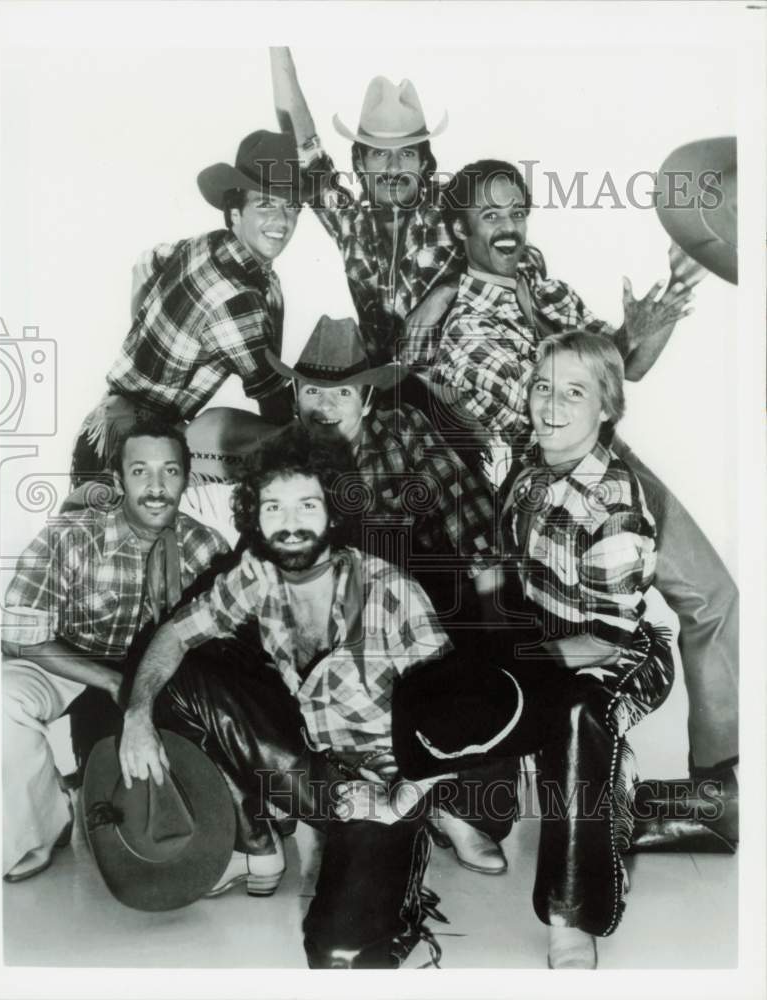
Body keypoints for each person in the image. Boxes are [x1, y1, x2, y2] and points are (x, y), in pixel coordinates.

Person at [343, 331, 676, 969]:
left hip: (617, 655)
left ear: (606, 408)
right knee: (443, 661)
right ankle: (451, 804)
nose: (551, 404)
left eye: (574, 392)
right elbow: (500, 566)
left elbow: (606, 637)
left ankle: (572, 913)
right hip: (542, 637)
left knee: (575, 711)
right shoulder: (530, 464)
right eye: (543, 386)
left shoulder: (617, 506)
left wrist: (511, 669)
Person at [425, 159, 738, 824]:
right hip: (548, 484)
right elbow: (558, 410)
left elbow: (621, 374)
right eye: (491, 216)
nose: (509, 228)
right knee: (584, 642)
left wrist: (675, 294)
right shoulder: (463, 329)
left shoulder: (535, 274)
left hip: (605, 456)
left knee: (714, 597)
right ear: (460, 229)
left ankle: (718, 789)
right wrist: (620, 347)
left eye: (516, 212)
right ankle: (564, 793)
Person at [191, 314, 518, 874]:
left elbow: (476, 530)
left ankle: (451, 807)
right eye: (311, 389)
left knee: (468, 626)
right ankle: (325, 788)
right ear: (294, 393)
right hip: (323, 627)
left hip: (417, 613)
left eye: (341, 392)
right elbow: (262, 551)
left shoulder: (407, 431)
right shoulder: (284, 452)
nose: (324, 404)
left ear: (367, 400)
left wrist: (500, 647)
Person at [117, 426, 453, 968]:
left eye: (306, 505)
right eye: (273, 506)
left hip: (386, 786)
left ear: (334, 513)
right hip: (312, 769)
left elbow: (456, 733)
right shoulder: (259, 579)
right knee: (170, 681)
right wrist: (137, 715)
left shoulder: (391, 593)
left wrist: (399, 798)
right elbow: (176, 634)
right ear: (256, 516)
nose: (290, 523)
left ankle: (404, 856)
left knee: (337, 954)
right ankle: (255, 840)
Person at [2, 421, 228, 882]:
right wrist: (110, 681)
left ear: (187, 478)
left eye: (170, 471)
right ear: (118, 478)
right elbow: (21, 633)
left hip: (157, 673)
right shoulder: (70, 535)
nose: (156, 487)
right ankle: (43, 826)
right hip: (68, 660)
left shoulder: (206, 546)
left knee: (133, 799)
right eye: (140, 471)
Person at [269, 47, 547, 374]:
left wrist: (448, 290)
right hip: (389, 398)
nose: (394, 168)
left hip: (469, 392)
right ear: (359, 162)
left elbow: (527, 261)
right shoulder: (350, 221)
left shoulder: (454, 206)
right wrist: (274, 37)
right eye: (379, 154)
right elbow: (301, 143)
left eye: (407, 154)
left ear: (424, 162)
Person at [71, 130, 303, 486]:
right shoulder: (237, 298)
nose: (282, 220)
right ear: (235, 212)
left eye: (291, 206)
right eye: (266, 204)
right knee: (296, 449)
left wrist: (157, 345)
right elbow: (274, 403)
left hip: (104, 421)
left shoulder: (207, 245)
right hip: (133, 450)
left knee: (85, 538)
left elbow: (147, 263)